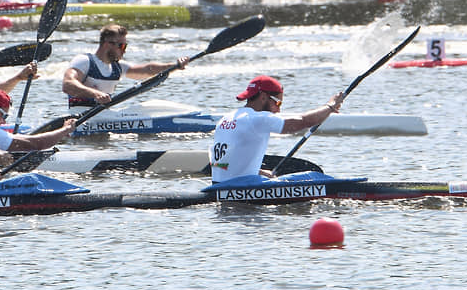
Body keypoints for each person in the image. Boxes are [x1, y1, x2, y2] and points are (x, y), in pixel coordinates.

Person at [209, 75, 345, 182]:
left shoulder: (226, 119)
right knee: (313, 177)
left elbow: (228, 162)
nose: (278, 109)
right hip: (241, 187)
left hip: (220, 185)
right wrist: (330, 106)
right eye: (278, 102)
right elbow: (304, 121)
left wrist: (258, 172)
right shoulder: (258, 118)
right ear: (263, 97)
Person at [62, 24, 189, 108]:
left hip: (104, 116)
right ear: (107, 44)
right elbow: (68, 84)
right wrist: (95, 94)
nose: (124, 50)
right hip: (79, 117)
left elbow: (147, 70)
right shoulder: (84, 61)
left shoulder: (118, 67)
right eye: (122, 46)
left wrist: (175, 65)